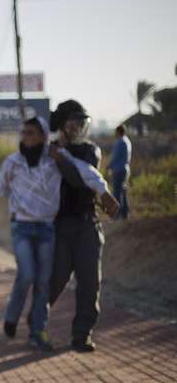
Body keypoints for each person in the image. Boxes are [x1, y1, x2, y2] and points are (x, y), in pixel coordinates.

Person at [0, 116, 118, 351]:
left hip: (48, 228)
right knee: (28, 274)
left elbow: (87, 172)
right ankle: (12, 315)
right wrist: (17, 194)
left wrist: (104, 192)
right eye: (24, 133)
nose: (26, 137)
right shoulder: (14, 161)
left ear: (42, 136)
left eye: (31, 133)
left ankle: (38, 333)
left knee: (42, 281)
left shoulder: (56, 157)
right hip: (22, 227)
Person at [48, 99, 114, 353]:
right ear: (63, 126)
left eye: (82, 123)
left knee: (89, 283)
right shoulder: (49, 150)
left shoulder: (90, 151)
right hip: (58, 226)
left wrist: (61, 160)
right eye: (73, 123)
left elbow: (80, 181)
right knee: (55, 280)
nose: (78, 128)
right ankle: (37, 327)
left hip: (87, 225)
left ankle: (82, 335)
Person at [108, 124, 132, 220]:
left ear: (118, 132)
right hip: (125, 169)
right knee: (123, 192)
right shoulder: (127, 141)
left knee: (117, 193)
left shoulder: (120, 142)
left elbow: (115, 157)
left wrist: (108, 166)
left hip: (118, 170)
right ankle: (125, 214)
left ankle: (117, 215)